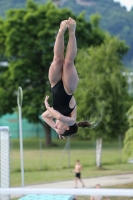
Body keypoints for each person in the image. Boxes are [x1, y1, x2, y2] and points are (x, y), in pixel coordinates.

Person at [41, 17, 91, 138]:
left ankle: (61, 31)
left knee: (57, 59)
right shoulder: (71, 121)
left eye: (55, 129)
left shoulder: (58, 115)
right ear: (67, 127)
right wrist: (47, 106)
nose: (55, 127)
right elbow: (58, 117)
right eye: (59, 129)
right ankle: (72, 31)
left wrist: (56, 128)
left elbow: (44, 116)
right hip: (69, 88)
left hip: (55, 84)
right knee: (68, 63)